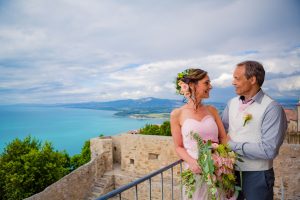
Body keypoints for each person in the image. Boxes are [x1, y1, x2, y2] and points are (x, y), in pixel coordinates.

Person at [222, 61, 287, 200]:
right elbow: (222, 131)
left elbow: (269, 150)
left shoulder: (272, 108)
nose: (233, 82)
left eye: (237, 78)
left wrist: (232, 145)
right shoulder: (231, 103)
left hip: (258, 175)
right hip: (231, 173)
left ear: (252, 80)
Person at [170, 68, 235, 200]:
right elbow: (178, 146)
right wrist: (192, 162)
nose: (210, 86)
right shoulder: (177, 114)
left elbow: (223, 138)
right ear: (192, 85)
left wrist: (228, 166)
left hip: (219, 172)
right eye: (206, 83)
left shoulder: (212, 110)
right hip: (195, 173)